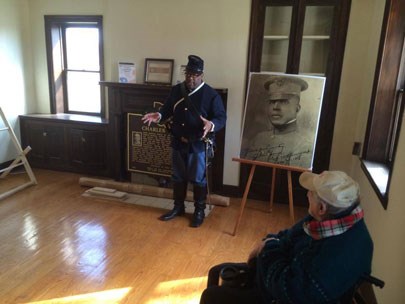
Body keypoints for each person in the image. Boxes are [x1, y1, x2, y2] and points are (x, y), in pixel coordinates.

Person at [200, 170, 373, 303]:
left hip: (283, 294)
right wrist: (269, 243)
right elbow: (288, 236)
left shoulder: (341, 253)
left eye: (311, 194)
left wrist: (267, 248)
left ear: (322, 208)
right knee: (216, 271)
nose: (307, 194)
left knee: (212, 296)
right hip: (285, 269)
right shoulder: (334, 218)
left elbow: (288, 289)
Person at [142, 55, 227, 228]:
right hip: (178, 141)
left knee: (198, 179)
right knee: (178, 177)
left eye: (195, 74)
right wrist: (158, 115)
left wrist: (211, 124)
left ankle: (199, 211)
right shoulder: (176, 90)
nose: (191, 78)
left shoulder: (211, 95)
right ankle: (178, 207)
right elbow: (167, 110)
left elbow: (221, 118)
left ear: (202, 74)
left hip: (198, 143)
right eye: (188, 73)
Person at [244, 76, 313, 168]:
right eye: (272, 102)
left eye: (283, 102)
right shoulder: (258, 139)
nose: (275, 107)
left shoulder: (305, 145)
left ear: (297, 108)